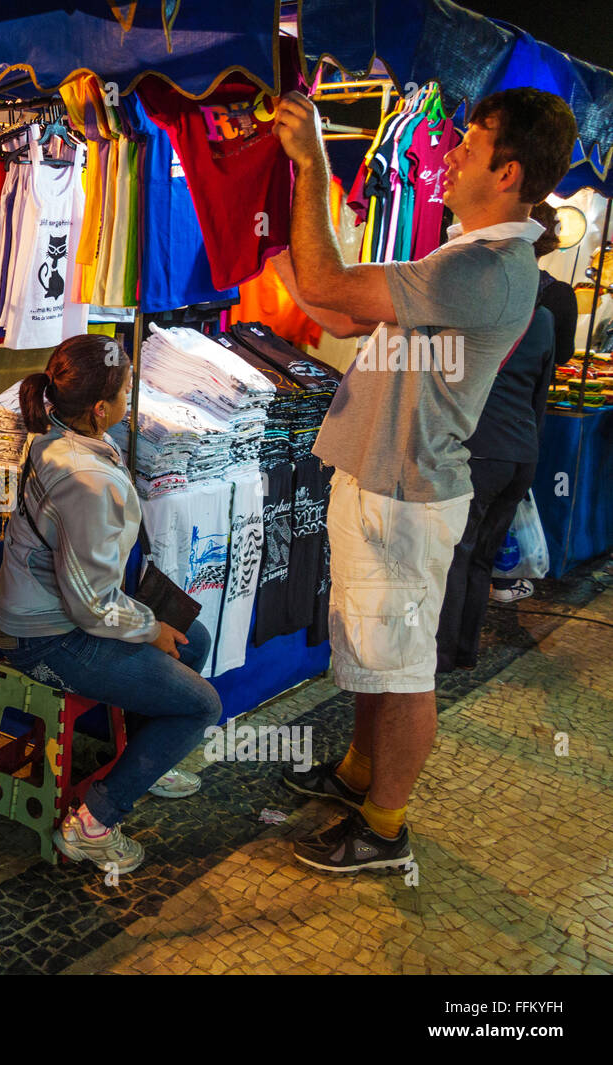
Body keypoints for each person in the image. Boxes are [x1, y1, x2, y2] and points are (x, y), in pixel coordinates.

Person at [270, 87, 578, 873]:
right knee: (377, 654)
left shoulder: (484, 266)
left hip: (405, 497)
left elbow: (336, 291)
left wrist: (309, 167)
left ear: (508, 173)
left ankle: (384, 827)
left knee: (403, 669)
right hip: (384, 481)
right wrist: (295, 266)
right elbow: (343, 316)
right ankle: (358, 775)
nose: (450, 155)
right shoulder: (460, 254)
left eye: (469, 146)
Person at [0, 334, 222, 874]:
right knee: (201, 705)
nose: (130, 401)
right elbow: (91, 607)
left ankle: (143, 763)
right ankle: (92, 823)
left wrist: (151, 625)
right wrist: (149, 628)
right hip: (44, 636)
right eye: (127, 391)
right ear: (101, 409)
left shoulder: (62, 438)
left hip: (55, 611)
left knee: (197, 641)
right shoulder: (85, 478)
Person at [435, 203, 565, 669]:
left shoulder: (484, 313)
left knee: (458, 554)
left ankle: (443, 655)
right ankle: (465, 650)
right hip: (520, 453)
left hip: (481, 451)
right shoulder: (544, 319)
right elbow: (540, 396)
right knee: (482, 558)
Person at [489, 202, 579, 603]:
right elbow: (560, 358)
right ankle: (504, 578)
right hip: (522, 416)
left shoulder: (482, 284)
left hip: (472, 416)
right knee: (504, 506)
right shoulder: (557, 296)